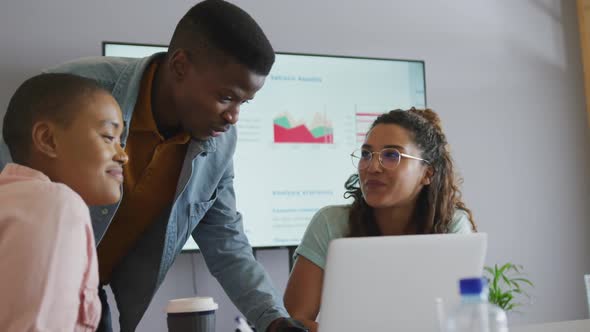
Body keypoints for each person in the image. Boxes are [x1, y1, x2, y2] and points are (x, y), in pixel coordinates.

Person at [0, 1, 305, 331]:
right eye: (226, 97)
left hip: (89, 289)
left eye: (243, 102)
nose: (233, 117)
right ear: (180, 66)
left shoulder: (219, 142)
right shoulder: (76, 92)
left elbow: (226, 240)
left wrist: (273, 320)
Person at [283, 108, 478, 332]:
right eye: (366, 154)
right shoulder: (330, 222)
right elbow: (295, 322)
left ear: (427, 174)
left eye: (391, 155)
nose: (372, 167)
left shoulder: (451, 225)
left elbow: (464, 320)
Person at [0, 73, 128, 331]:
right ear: (48, 140)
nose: (123, 155)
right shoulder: (57, 203)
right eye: (107, 136)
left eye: (121, 141)